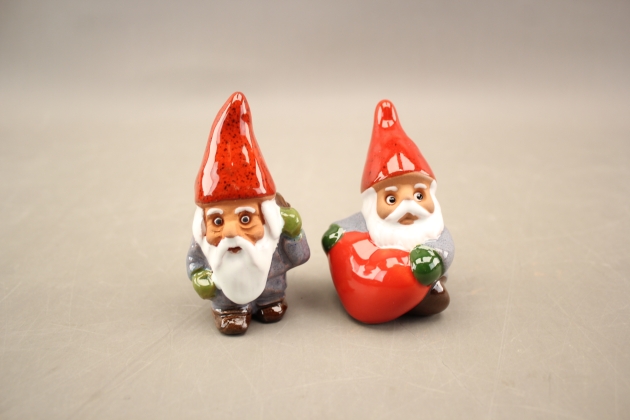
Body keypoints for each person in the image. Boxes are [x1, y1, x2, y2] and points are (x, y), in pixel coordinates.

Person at [187, 92, 310, 335]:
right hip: (225, 296)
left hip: (271, 290)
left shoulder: (274, 236)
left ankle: (269, 302)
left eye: (245, 219)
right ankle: (230, 311)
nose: (231, 231)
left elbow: (300, 257)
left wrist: (294, 233)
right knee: (229, 308)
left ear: (266, 216)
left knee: (271, 305)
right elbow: (194, 263)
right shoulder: (204, 243)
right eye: (218, 221)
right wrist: (200, 277)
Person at [322, 100, 454, 324]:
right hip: (383, 283)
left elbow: (446, 248)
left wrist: (434, 259)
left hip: (421, 281)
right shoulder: (371, 221)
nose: (408, 205)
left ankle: (421, 295)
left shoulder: (434, 230)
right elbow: (355, 224)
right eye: (392, 199)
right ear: (372, 202)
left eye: (419, 195)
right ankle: (394, 301)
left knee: (434, 293)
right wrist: (337, 231)